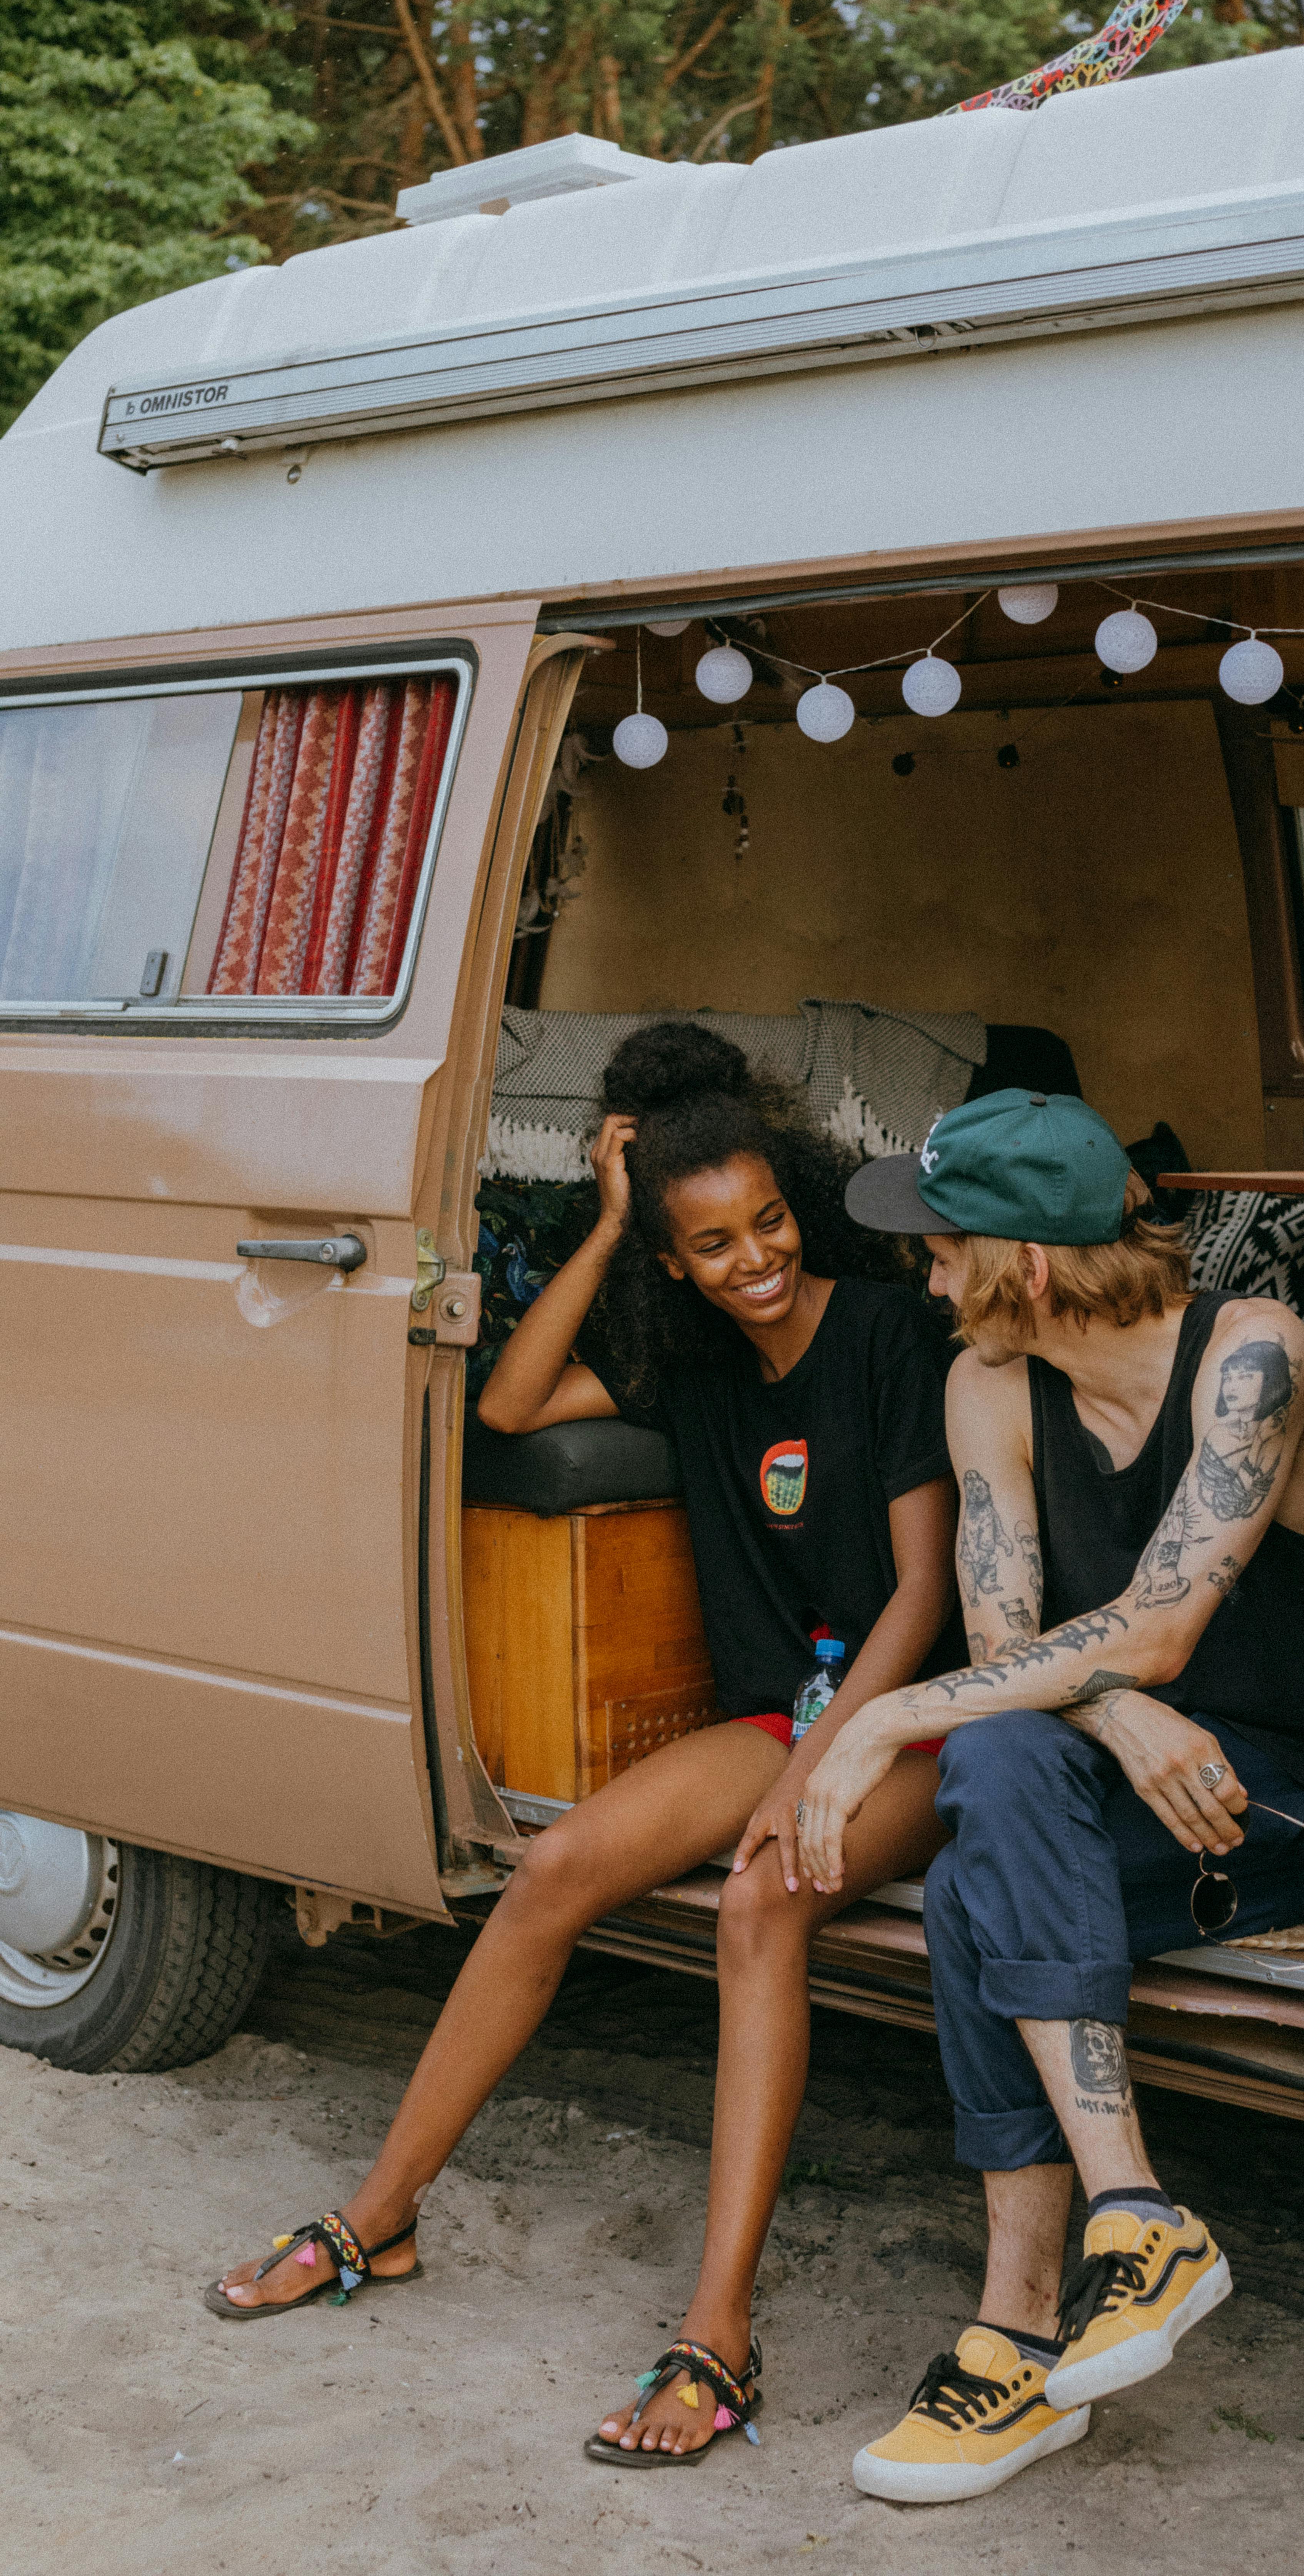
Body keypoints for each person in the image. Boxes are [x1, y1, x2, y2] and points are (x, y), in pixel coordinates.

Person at [203, 1024, 966, 2468]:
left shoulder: (883, 1333)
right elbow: (504, 1404)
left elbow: (925, 1594)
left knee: (760, 1905)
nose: (757, 1260)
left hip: (917, 1720)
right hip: (782, 1720)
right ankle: (383, 2217)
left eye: (772, 1221)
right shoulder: (688, 1365)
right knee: (554, 1865)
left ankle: (720, 2331)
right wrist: (613, 1222)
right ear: (674, 1261)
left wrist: (816, 1778)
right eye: (713, 1242)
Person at [795, 1087, 1304, 2503]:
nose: (920, 1274)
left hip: (1283, 1799)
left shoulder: (1255, 1360)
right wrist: (1122, 1715)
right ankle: (1134, 2215)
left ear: (1023, 1268)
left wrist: (892, 1719)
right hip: (1116, 1782)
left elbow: (1159, 1621)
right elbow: (1007, 1647)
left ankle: (1013, 2334)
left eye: (938, 1246)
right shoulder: (989, 1380)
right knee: (997, 1779)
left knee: (980, 1871)